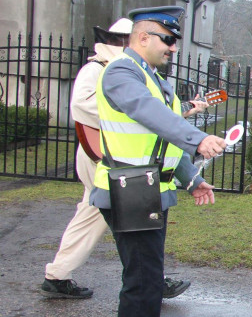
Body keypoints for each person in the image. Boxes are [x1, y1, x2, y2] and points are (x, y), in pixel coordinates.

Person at [91, 6, 227, 317]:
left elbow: (162, 136)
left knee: (150, 278)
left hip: (148, 190)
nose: (172, 48)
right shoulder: (120, 73)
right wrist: (198, 139)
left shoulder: (151, 77)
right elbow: (152, 115)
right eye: (167, 40)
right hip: (128, 189)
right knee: (142, 278)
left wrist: (191, 179)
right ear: (142, 37)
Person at [41, 19, 211, 301]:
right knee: (119, 219)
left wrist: (176, 110)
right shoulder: (102, 70)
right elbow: (84, 106)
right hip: (109, 154)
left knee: (95, 215)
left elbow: (152, 112)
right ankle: (149, 279)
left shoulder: (136, 71)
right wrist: (130, 110)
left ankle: (61, 274)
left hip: (127, 157)